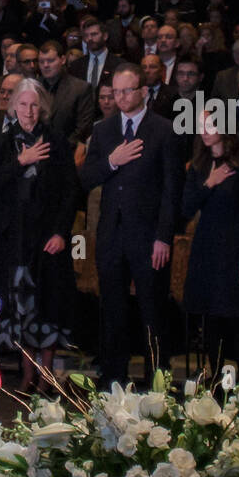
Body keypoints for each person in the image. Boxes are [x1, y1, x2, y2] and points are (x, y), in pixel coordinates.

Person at [78, 63, 184, 386]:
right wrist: (113, 161)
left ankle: (157, 382)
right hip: (111, 235)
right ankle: (114, 378)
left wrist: (164, 237)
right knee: (112, 310)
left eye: (128, 91)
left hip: (150, 237)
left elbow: (172, 190)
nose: (121, 98)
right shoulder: (104, 130)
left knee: (152, 311)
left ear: (143, 92)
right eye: (116, 92)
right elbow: (86, 178)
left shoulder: (164, 130)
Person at [0, 78, 77, 392]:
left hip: (47, 240)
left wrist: (62, 232)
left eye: (34, 105)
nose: (29, 111)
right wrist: (21, 161)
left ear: (42, 107)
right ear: (13, 106)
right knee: (20, 306)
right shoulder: (2, 141)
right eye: (23, 104)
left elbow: (70, 191)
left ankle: (46, 377)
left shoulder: (57, 140)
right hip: (14, 239)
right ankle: (26, 373)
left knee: (46, 305)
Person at [181, 115, 239, 381]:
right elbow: (185, 208)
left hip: (235, 248)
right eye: (201, 128)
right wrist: (210, 183)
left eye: (210, 126)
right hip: (207, 248)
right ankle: (215, 374)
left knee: (238, 317)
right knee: (211, 316)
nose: (205, 132)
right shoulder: (198, 166)